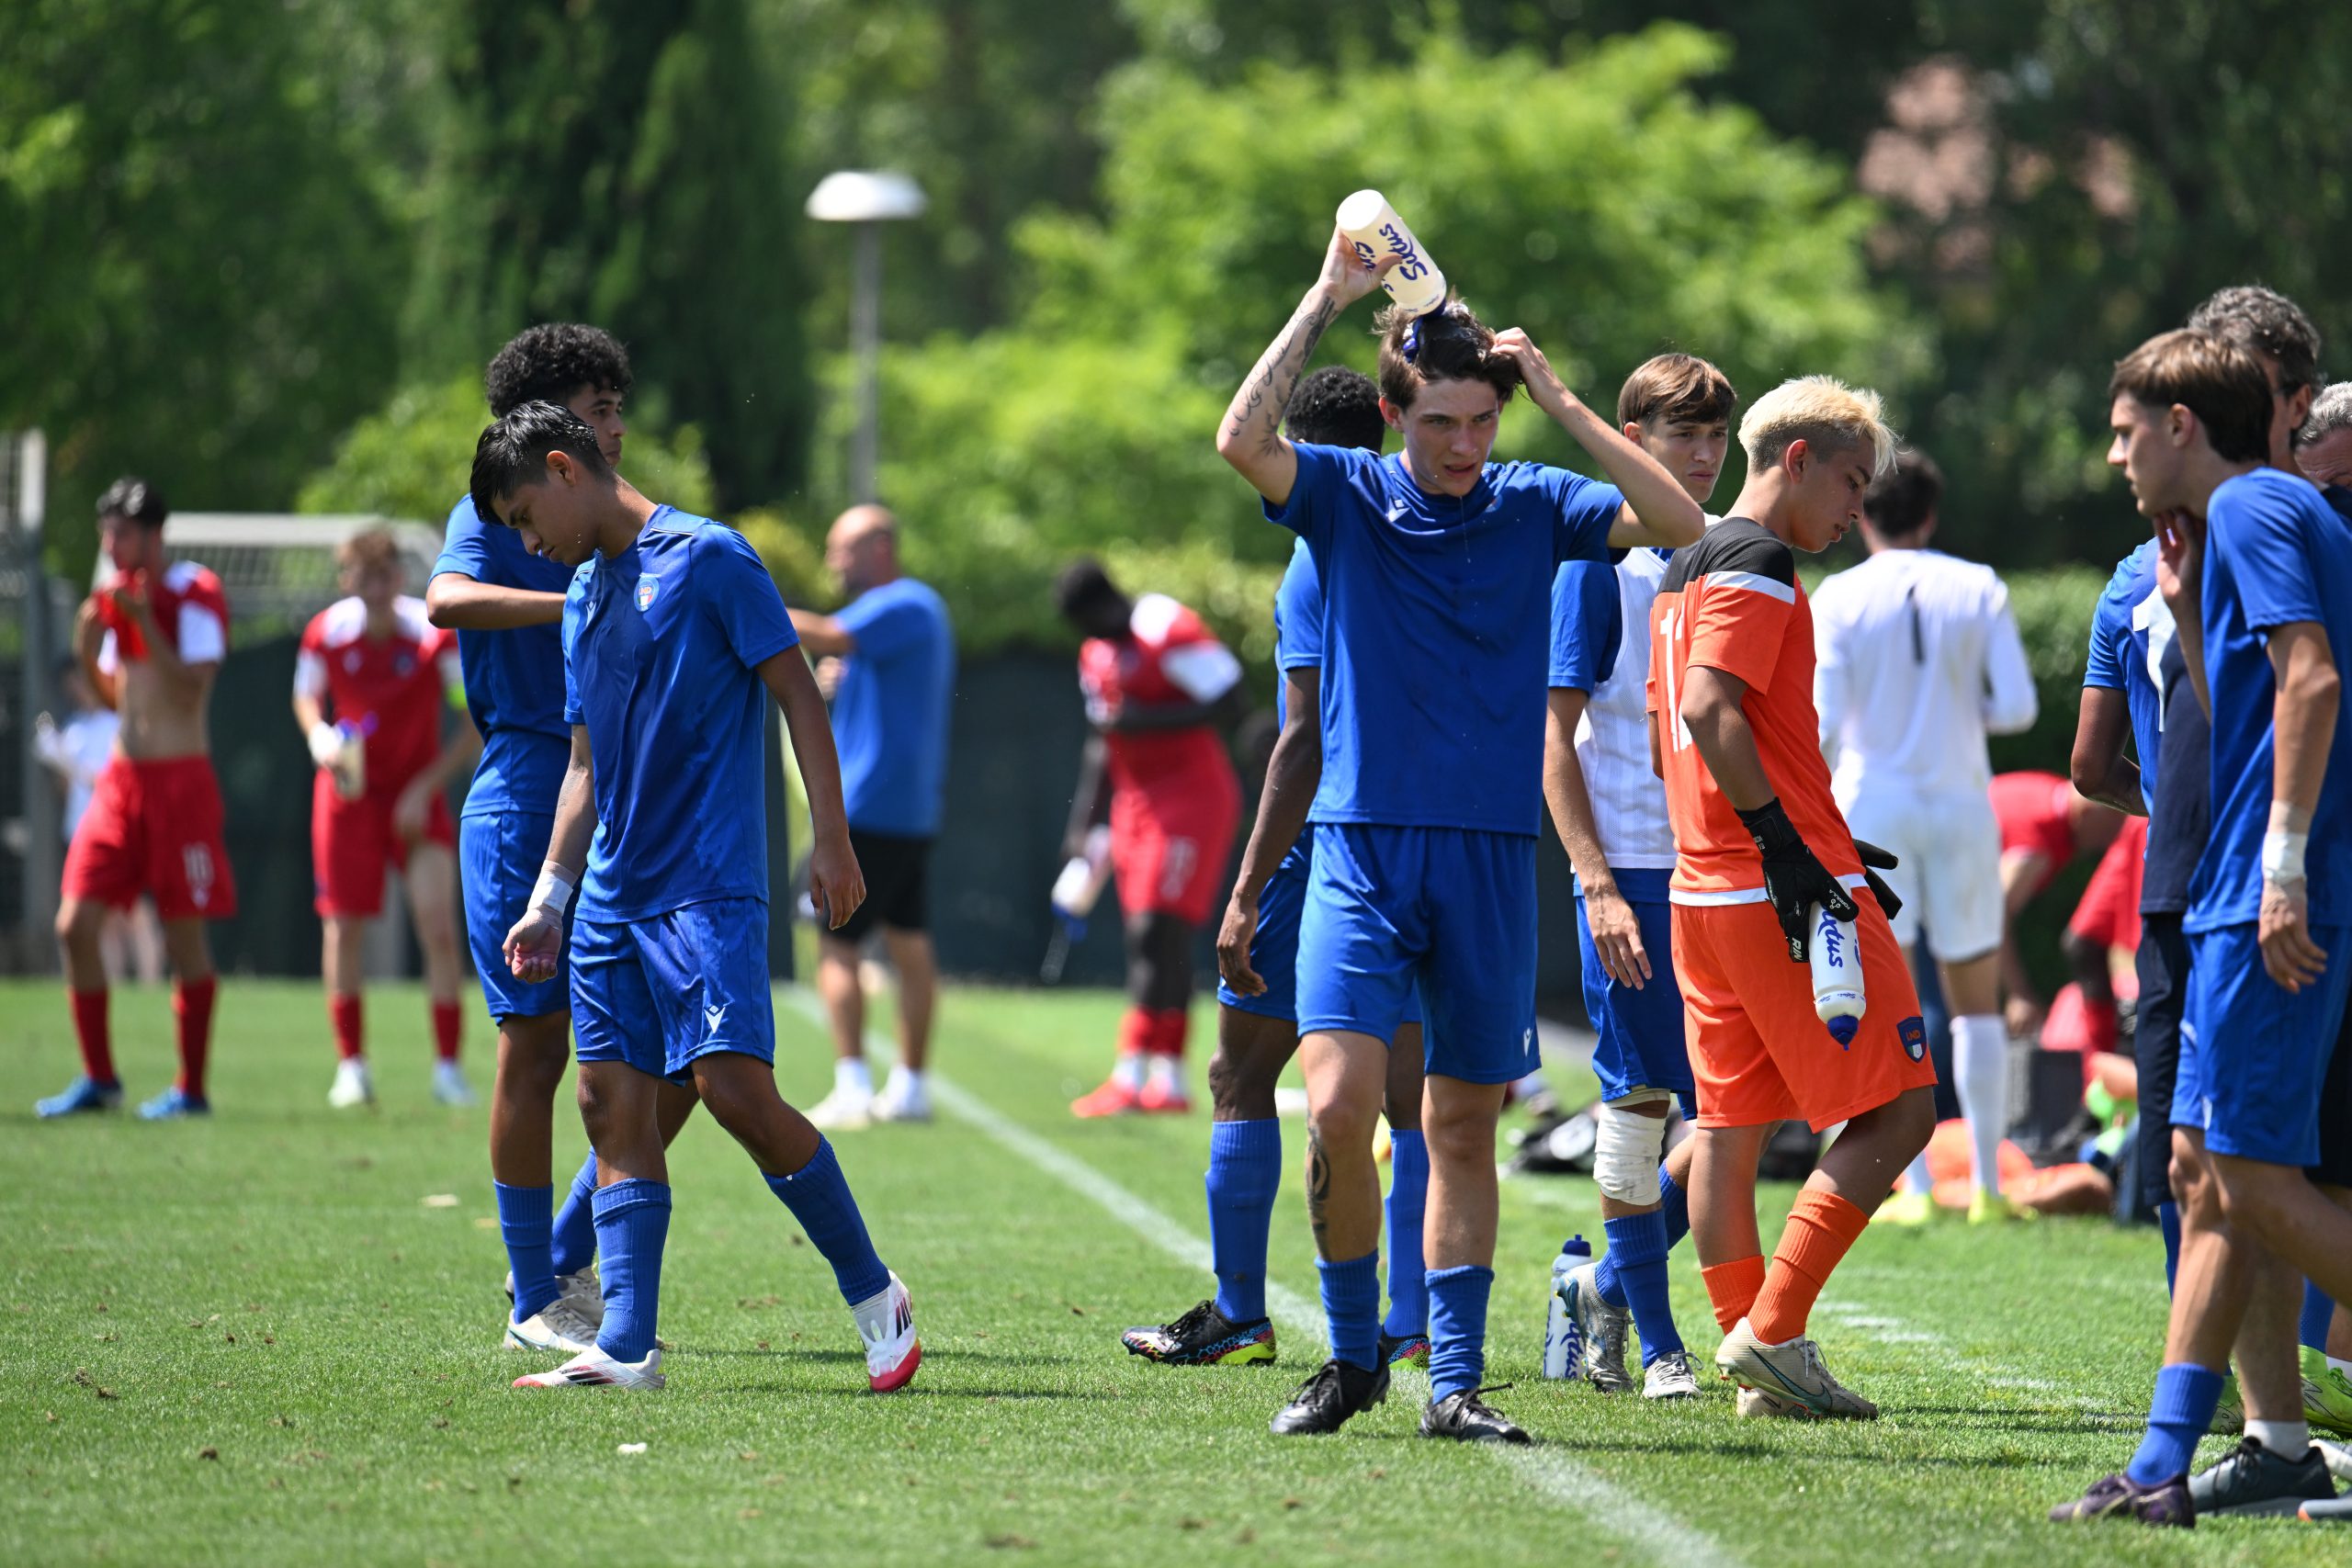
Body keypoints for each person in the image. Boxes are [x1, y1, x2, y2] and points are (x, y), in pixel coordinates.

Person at [1216, 226, 1705, 1443]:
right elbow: (1240, 441)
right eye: (1440, 422)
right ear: (1394, 414)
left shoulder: (1536, 499)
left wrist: (1557, 396)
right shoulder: (1345, 496)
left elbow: (1682, 519)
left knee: (1459, 1128)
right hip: (1360, 853)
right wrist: (1325, 295)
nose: (1464, 444)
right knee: (1337, 1109)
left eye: (1483, 421)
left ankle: (1453, 1382)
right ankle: (1349, 1358)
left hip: (1487, 861)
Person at [474, 401, 919, 1394]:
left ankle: (873, 1293)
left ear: (565, 468)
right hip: (609, 899)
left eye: (526, 517)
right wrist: (550, 896)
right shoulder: (582, 595)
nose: (528, 544)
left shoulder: (711, 556)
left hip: (707, 888)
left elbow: (796, 690)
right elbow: (583, 762)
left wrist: (832, 838)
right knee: (608, 1105)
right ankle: (626, 1344)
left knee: (734, 1093)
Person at [2052, 325, 2352, 1525]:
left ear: (2182, 425)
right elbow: (2242, 720)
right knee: (2214, 1177)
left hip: (2267, 897)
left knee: (2249, 1177)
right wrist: (2183, 618)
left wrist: (2281, 867)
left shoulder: (2257, 506)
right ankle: (2205, 1457)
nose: (2114, 455)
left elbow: (2312, 679)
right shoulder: (2227, 533)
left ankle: (2185, 1455)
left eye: (2126, 431)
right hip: (2230, 891)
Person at [1125, 367, 1431, 1371]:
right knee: (1415, 1096)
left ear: (1293, 446)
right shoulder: (1434, 529)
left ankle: (1241, 1311)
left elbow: (1301, 743)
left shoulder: (1314, 559)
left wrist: (1248, 889)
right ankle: (1414, 1323)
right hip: (1431, 835)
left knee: (1240, 1072)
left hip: (1328, 841)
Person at [1648, 375, 1934, 1420]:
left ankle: (1755, 1365)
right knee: (1903, 1109)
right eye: (1851, 481)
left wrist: (1812, 826)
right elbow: (1707, 707)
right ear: (1798, 459)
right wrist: (1788, 844)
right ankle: (1770, 1333)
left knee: (1728, 1130)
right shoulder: (1761, 560)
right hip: (1779, 889)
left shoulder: (1680, 565)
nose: (1858, 507)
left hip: (1701, 886)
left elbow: (1677, 739)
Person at [428, 323, 700, 1358]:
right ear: (540, 428)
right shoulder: (491, 511)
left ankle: (556, 1257)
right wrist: (568, 601)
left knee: (683, 1054)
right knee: (537, 1046)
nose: (616, 427)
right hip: (525, 796)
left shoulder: (615, 516)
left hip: (617, 804)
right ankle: (533, 1298)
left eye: (617, 407)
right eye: (598, 409)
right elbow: (444, 600)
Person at [1544, 352, 1738, 1401]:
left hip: (1724, 874)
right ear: (1633, 440)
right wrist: (1599, 884)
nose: (1703, 455)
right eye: (1681, 435)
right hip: (1633, 875)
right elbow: (1553, 742)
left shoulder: (1730, 553)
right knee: (1638, 1105)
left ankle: (1601, 1285)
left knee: (1745, 1106)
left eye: (1715, 436)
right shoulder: (1597, 562)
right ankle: (1660, 1345)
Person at [1812, 448, 2038, 1227]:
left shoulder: (1839, 595)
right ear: (1932, 515)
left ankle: (1909, 1189)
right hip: (1961, 801)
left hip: (1872, 807)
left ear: (1861, 514)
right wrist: (1957, 715)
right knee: (1977, 999)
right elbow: (2018, 706)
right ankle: (1989, 1186)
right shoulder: (1979, 585)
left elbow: (1823, 722)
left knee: (1890, 995)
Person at [37, 479, 235, 1121]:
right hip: (121, 783)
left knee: (183, 938)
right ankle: (100, 1078)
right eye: (107, 533)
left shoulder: (193, 591)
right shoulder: (118, 596)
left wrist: (143, 618)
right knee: (74, 925)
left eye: (121, 533)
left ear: (154, 534)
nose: (111, 545)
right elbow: (118, 697)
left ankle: (192, 1089)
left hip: (180, 786)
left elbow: (190, 691)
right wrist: (87, 644)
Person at [296, 528, 481, 1109]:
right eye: (363, 578)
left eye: (384, 577)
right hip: (347, 797)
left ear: (398, 578)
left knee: (439, 928)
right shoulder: (325, 633)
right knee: (342, 928)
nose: (375, 589)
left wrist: (423, 788)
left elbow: (471, 722)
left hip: (415, 799)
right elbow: (306, 699)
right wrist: (321, 738)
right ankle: (351, 1066)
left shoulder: (433, 635)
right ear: (347, 580)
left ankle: (448, 1069)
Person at [1054, 558, 1244, 1117]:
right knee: (1148, 938)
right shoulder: (1096, 653)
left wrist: (1147, 721)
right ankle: (1153, 1077)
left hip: (1191, 798)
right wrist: (1082, 823)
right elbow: (1101, 739)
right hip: (1134, 805)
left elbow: (1232, 701)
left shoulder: (1164, 628)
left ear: (1106, 602)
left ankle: (1152, 1074)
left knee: (1159, 930)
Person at [791, 505, 956, 1129]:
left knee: (837, 945)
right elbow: (846, 658)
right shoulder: (898, 619)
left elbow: (827, 633)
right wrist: (840, 678)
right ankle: (910, 1088)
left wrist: (741, 605)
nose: (833, 560)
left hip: (869, 807)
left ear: (880, 547)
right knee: (910, 944)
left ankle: (853, 1085)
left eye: (843, 547)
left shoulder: (905, 602)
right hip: (908, 810)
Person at [35, 658, 164, 984]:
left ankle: (150, 985)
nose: (77, 689)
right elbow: (67, 790)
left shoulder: (117, 724)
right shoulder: (74, 729)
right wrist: (59, 763)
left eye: (82, 680)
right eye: (72, 683)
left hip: (120, 831)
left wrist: (67, 762)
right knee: (102, 919)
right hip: (81, 832)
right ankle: (116, 988)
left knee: (136, 913)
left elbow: (112, 782)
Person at [1988, 768, 2125, 1039]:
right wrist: (2019, 994)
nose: (2110, 842)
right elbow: (1993, 915)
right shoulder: (2035, 847)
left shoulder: (2052, 791)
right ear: (2086, 815)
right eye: (2110, 829)